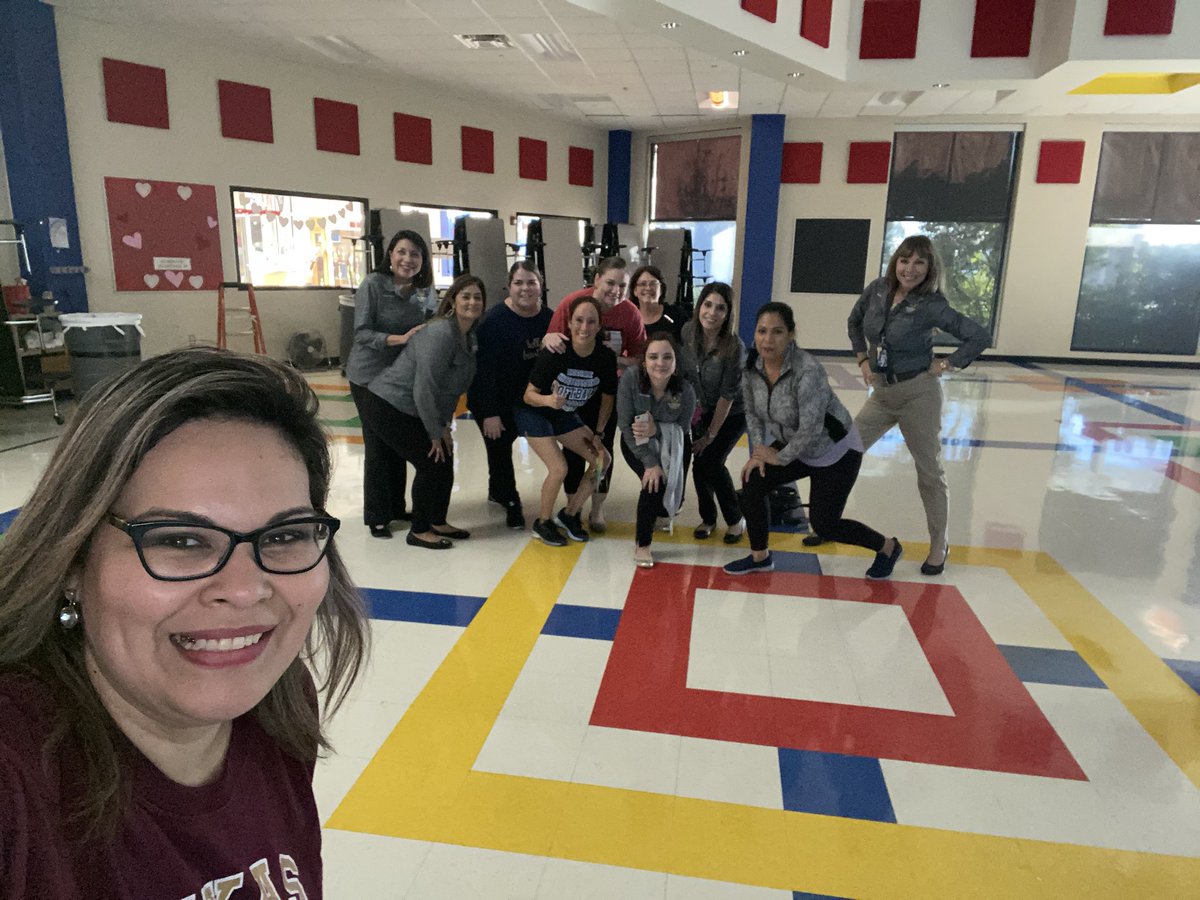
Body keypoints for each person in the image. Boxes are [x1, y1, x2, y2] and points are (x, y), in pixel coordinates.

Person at [0, 347, 367, 898]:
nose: (245, 590)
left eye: (286, 535)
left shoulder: (280, 702)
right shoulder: (17, 773)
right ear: (72, 560)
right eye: (179, 540)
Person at [725, 302, 902, 579]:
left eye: (777, 332)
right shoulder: (751, 367)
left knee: (825, 525)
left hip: (835, 451)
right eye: (762, 331)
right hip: (795, 443)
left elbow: (810, 427)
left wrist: (780, 457)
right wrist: (759, 453)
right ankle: (760, 556)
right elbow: (752, 414)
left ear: (791, 334)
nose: (767, 340)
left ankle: (888, 548)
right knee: (753, 480)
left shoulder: (808, 371)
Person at [847, 235, 989, 576]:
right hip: (881, 394)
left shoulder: (931, 305)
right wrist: (863, 359)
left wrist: (948, 363)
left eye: (919, 263)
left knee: (929, 473)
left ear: (929, 269)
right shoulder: (878, 289)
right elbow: (854, 322)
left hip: (917, 394)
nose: (910, 269)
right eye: (905, 260)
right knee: (843, 454)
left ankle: (939, 543)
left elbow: (978, 335)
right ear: (896, 261)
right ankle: (831, 523)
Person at [364, 274, 484, 550]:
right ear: (453, 300)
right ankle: (419, 531)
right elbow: (425, 387)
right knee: (431, 461)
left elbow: (450, 390)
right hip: (389, 404)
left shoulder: (467, 337)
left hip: (415, 407)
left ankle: (437, 521)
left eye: (477, 297)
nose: (472, 302)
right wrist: (433, 433)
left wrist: (443, 427)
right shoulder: (442, 332)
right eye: (466, 296)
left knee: (445, 457)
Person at [344, 229, 438, 539]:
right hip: (368, 375)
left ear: (423, 261)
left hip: (399, 377)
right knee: (377, 443)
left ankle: (397, 506)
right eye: (402, 252)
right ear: (391, 255)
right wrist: (400, 339)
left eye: (415, 254)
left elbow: (433, 323)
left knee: (396, 443)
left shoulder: (424, 290)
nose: (408, 259)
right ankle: (377, 515)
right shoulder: (373, 284)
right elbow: (361, 333)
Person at [543, 256, 646, 533]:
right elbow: (551, 341)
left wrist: (615, 361)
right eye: (610, 282)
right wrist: (548, 338)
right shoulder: (572, 303)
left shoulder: (630, 314)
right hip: (573, 391)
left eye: (622, 285)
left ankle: (597, 508)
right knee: (574, 453)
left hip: (607, 393)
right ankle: (572, 506)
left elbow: (640, 357)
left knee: (603, 449)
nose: (616, 290)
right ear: (597, 279)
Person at [518, 294, 618, 547]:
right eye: (579, 321)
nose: (584, 327)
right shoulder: (555, 353)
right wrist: (549, 401)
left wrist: (599, 432)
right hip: (534, 412)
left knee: (601, 460)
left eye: (591, 322)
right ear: (570, 323)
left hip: (563, 415)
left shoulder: (605, 358)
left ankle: (569, 514)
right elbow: (528, 396)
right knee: (559, 468)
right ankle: (542, 523)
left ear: (599, 325)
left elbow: (608, 397)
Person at [467, 260, 553, 531]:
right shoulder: (492, 322)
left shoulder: (549, 319)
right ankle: (511, 500)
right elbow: (484, 373)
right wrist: (490, 412)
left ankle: (497, 489)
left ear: (541, 286)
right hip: (495, 400)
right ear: (509, 286)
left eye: (531, 282)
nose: (525, 288)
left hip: (531, 399)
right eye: (519, 283)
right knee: (499, 448)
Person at [617, 334, 697, 568]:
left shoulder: (685, 391)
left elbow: (681, 431)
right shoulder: (631, 380)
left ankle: (662, 513)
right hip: (637, 442)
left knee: (673, 500)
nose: (659, 363)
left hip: (674, 443)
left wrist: (657, 430)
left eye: (667, 357)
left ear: (675, 362)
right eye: (653, 357)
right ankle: (643, 544)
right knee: (654, 482)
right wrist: (651, 463)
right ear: (644, 361)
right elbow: (625, 425)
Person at [680, 281, 747, 544]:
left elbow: (727, 396)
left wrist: (710, 434)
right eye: (708, 305)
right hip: (699, 409)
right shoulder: (687, 333)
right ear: (699, 306)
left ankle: (735, 519)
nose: (712, 312)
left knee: (711, 460)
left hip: (732, 414)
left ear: (728, 313)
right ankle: (708, 519)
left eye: (720, 308)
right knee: (700, 465)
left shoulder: (734, 347)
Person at [629, 264, 684, 341]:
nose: (648, 288)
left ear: (661, 290)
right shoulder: (628, 319)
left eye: (653, 284)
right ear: (635, 291)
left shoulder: (676, 315)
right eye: (643, 284)